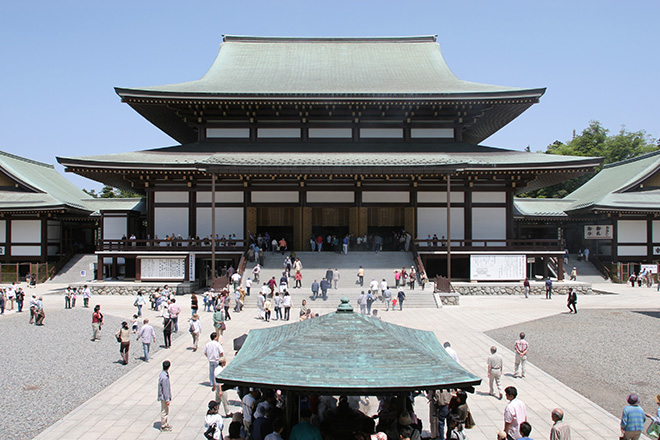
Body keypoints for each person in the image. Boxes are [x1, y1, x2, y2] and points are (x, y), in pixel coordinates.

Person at [157, 360, 173, 431]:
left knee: (165, 410)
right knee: (164, 411)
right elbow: (165, 389)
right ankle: (163, 425)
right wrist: (167, 399)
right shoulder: (165, 378)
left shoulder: (162, 374)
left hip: (162, 396)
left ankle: (165, 423)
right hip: (164, 397)